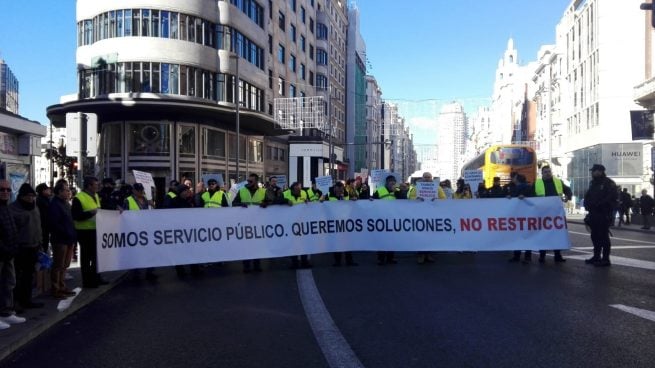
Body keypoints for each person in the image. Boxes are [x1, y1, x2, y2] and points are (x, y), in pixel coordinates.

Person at [10, 184, 45, 310]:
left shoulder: (35, 207)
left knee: (29, 275)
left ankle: (27, 300)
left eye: (32, 196)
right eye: (28, 196)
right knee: (17, 277)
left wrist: (40, 243)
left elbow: (38, 225)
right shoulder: (13, 209)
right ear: (21, 196)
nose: (30, 198)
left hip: (34, 246)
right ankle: (16, 302)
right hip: (21, 247)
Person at [73, 176, 108, 288]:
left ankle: (96, 278)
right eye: (96, 185)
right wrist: (91, 213)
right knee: (86, 258)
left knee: (96, 257)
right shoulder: (79, 198)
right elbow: (76, 216)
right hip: (84, 232)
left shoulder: (96, 195)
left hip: (96, 230)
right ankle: (88, 282)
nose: (98, 186)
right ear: (89, 186)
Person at [0, 180, 26, 328]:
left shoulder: (7, 207)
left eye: (8, 190)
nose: (5, 192)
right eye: (2, 190)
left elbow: (12, 229)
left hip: (8, 254)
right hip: (3, 253)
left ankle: (6, 312)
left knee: (8, 283)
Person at [533, 165, 571, 263]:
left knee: (557, 235)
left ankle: (557, 256)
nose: (548, 173)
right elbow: (529, 193)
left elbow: (568, 190)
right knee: (544, 235)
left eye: (549, 171)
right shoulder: (537, 183)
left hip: (556, 213)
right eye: (545, 172)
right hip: (543, 214)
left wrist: (568, 196)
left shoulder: (558, 182)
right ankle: (542, 256)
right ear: (542, 173)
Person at [48, 180, 78, 299]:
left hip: (69, 239)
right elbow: (54, 223)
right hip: (60, 240)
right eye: (66, 190)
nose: (68, 192)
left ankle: (62, 286)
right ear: (60, 191)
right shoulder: (55, 204)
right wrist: (67, 233)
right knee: (58, 265)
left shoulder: (65, 203)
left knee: (65, 265)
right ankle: (56, 289)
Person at [583, 164, 617, 266]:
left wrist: (600, 204)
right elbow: (588, 195)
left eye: (596, 171)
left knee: (603, 236)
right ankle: (596, 256)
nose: (594, 173)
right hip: (593, 213)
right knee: (594, 236)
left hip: (604, 213)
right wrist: (586, 204)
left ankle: (606, 259)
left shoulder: (609, 183)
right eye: (593, 171)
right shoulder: (593, 183)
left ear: (601, 171)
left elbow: (611, 197)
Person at [233, 174, 268, 273]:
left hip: (258, 223)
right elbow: (234, 203)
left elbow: (273, 201)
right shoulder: (242, 191)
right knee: (246, 246)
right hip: (245, 222)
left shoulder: (263, 191)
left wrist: (266, 203)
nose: (248, 183)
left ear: (256, 181)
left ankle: (257, 265)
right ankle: (246, 266)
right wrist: (241, 204)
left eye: (251, 181)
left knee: (257, 245)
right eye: (248, 181)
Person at [409, 172, 446, 264]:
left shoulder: (437, 188)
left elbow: (444, 198)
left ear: (431, 178)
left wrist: (437, 200)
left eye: (429, 177)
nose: (427, 179)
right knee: (420, 235)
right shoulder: (416, 188)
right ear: (422, 178)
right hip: (420, 216)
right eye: (425, 177)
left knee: (431, 236)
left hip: (432, 216)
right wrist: (417, 199)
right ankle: (421, 255)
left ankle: (429, 254)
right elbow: (410, 198)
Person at [124, 183, 158, 281]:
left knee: (149, 251)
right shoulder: (128, 200)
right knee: (135, 253)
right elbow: (124, 215)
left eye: (142, 190)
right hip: (133, 230)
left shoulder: (146, 201)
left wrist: (153, 205)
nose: (141, 192)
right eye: (139, 190)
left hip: (145, 229)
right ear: (134, 191)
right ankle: (135, 273)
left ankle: (149, 271)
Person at [323, 182, 358, 267]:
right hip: (334, 222)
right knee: (336, 243)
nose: (340, 192)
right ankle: (337, 261)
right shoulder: (328, 195)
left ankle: (349, 260)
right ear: (334, 189)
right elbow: (322, 205)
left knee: (348, 243)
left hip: (345, 222)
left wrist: (354, 199)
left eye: (341, 190)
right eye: (338, 190)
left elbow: (354, 201)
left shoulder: (346, 194)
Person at [507, 174, 534, 264]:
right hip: (527, 215)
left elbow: (513, 197)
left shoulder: (519, 187)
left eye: (514, 178)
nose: (512, 179)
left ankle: (517, 256)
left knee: (516, 236)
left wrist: (510, 197)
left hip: (517, 216)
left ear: (517, 179)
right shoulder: (528, 187)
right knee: (526, 236)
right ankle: (527, 257)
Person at [284, 182, 312, 269]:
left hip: (302, 221)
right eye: (297, 189)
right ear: (293, 188)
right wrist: (286, 201)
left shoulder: (303, 193)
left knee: (304, 243)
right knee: (293, 244)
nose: (299, 190)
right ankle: (294, 262)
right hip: (291, 222)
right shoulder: (286, 193)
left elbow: (308, 203)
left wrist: (308, 202)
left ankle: (305, 262)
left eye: (300, 188)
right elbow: (277, 200)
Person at [372, 175, 399, 265]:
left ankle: (390, 258)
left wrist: (398, 192)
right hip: (382, 219)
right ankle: (381, 258)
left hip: (392, 219)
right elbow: (373, 201)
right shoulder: (379, 190)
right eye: (391, 182)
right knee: (382, 239)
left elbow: (404, 201)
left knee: (392, 239)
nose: (393, 184)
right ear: (387, 183)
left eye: (394, 182)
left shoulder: (397, 191)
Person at [35, 183, 51, 253]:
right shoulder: (41, 201)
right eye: (47, 189)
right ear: (43, 191)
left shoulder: (45, 199)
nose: (49, 190)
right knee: (44, 245)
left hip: (45, 227)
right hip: (43, 227)